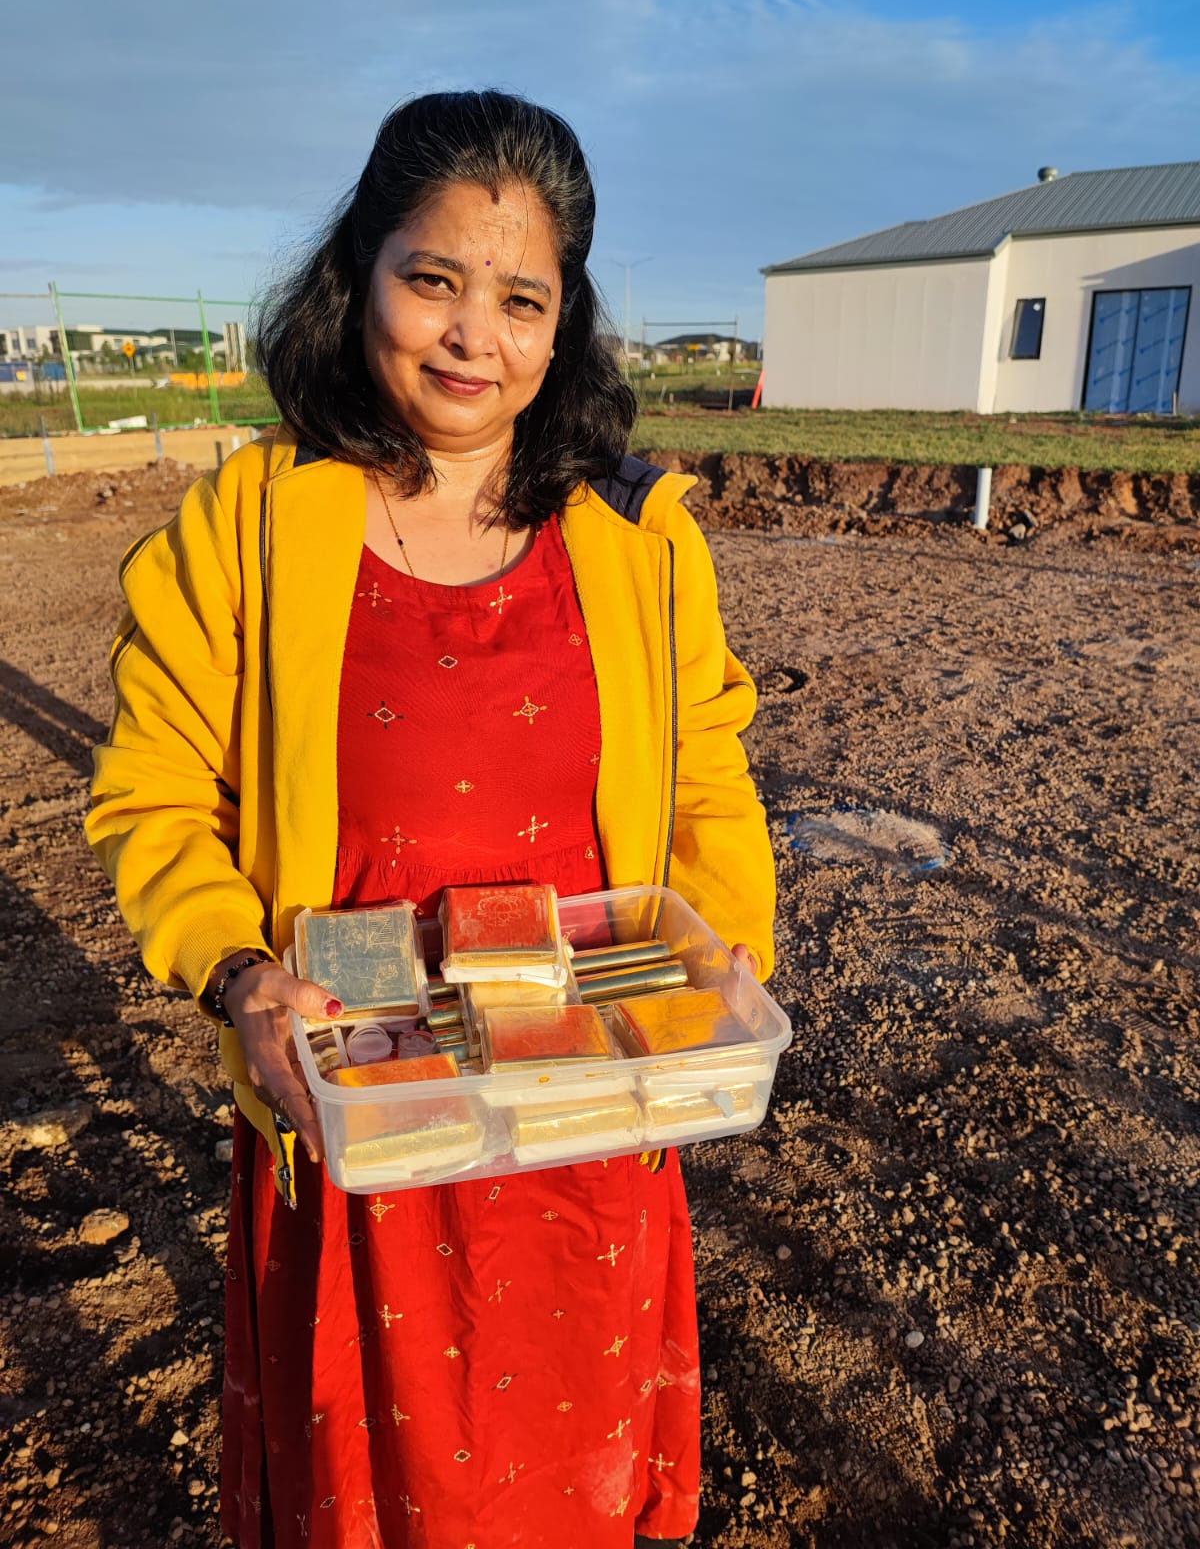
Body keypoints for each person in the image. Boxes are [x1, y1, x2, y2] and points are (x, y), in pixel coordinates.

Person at [87, 90, 775, 1549]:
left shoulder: (637, 532)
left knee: (569, 1475)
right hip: (363, 1110)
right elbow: (153, 788)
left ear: (564, 321)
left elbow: (707, 772)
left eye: (522, 300)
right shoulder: (252, 522)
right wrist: (238, 972)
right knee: (387, 1486)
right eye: (434, 280)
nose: (474, 337)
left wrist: (716, 970)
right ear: (361, 275)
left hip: (588, 1109)